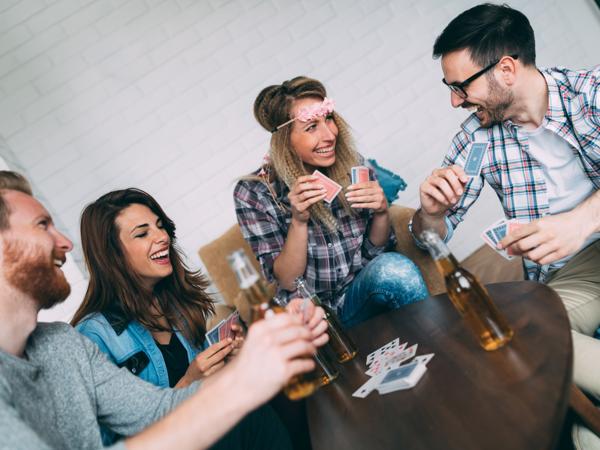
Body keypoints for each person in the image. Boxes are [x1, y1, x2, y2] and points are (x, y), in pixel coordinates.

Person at [0, 173, 327, 450]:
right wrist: (243, 376)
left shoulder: (63, 344)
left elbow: (160, 410)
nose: (67, 244)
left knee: (257, 416)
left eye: (159, 227)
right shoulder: (92, 334)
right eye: (42, 225)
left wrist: (259, 352)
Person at [410, 0, 600, 431]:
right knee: (525, 336)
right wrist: (431, 214)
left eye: (461, 86)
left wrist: (582, 220)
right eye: (450, 87)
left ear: (507, 70)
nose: (455, 100)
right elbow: (428, 237)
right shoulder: (475, 139)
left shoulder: (590, 92)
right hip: (573, 274)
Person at [234, 76, 429, 328]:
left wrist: (381, 212)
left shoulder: (352, 163)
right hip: (314, 316)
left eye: (328, 119)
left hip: (362, 293)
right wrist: (299, 221)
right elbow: (289, 282)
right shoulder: (254, 193)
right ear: (285, 140)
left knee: (393, 266)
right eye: (311, 126)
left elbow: (375, 253)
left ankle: (440, 343)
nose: (329, 135)